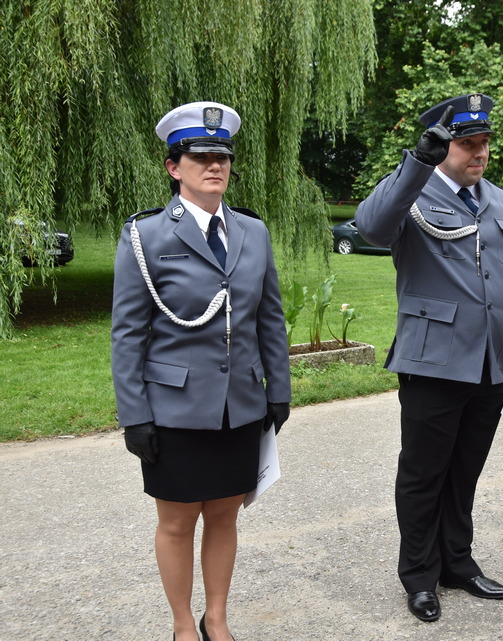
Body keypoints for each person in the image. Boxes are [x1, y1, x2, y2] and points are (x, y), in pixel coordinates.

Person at [355, 93, 503, 623]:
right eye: (467, 144)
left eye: (484, 142)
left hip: (489, 361)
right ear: (443, 147)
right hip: (433, 361)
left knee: (465, 471)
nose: (479, 153)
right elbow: (370, 228)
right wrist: (416, 162)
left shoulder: (502, 203)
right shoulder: (411, 193)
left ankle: (456, 562)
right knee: (423, 474)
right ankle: (418, 575)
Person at [111, 102, 291, 641]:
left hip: (240, 403)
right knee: (175, 521)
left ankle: (217, 618)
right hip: (174, 408)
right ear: (174, 167)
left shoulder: (252, 232)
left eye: (223, 157)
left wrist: (277, 391)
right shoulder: (145, 238)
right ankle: (183, 625)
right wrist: (134, 415)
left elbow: (270, 317)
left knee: (224, 517)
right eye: (201, 156)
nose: (215, 166)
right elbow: (126, 333)